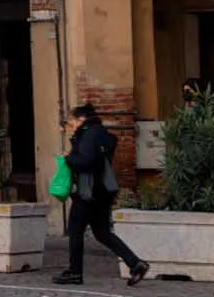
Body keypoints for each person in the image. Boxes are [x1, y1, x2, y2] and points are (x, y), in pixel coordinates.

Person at [53, 102, 148, 286]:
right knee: (103, 232)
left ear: (81, 119)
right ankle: (135, 263)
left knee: (75, 229)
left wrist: (69, 158)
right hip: (103, 191)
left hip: (88, 191)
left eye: (72, 123)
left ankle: (75, 272)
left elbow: (86, 162)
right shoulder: (101, 134)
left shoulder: (89, 135)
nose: (71, 127)